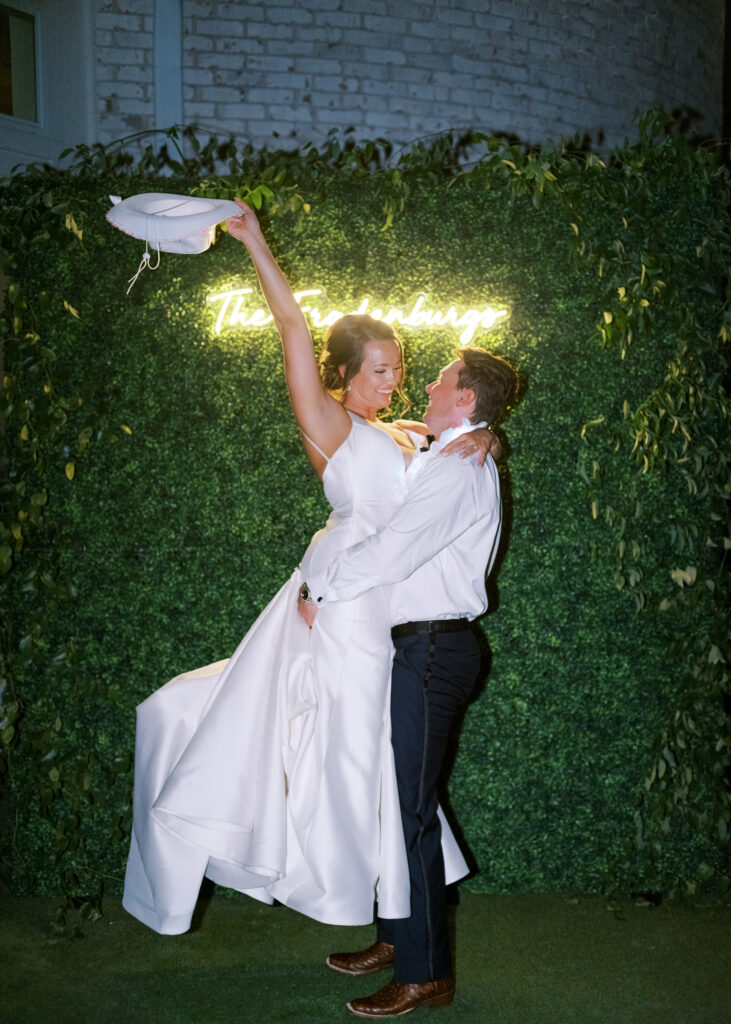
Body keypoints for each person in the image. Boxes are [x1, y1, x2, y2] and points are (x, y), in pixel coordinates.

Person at [122, 199, 499, 934]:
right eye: (382, 370)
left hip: (381, 608)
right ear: (347, 371)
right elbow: (292, 327)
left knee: (370, 762)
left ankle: (392, 919)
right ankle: (357, 903)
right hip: (337, 603)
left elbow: (464, 446)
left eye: (402, 370)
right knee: (335, 753)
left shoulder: (409, 434)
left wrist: (489, 441)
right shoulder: (327, 421)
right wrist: (256, 243)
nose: (395, 382)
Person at [298, 347, 520, 1018]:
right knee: (395, 799)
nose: (426, 383)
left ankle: (427, 974)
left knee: (410, 811)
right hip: (420, 647)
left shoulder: (456, 469)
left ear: (465, 400)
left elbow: (395, 549)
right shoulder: (449, 450)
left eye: (442, 378)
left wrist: (320, 587)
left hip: (432, 649)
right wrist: (491, 435)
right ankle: (398, 938)